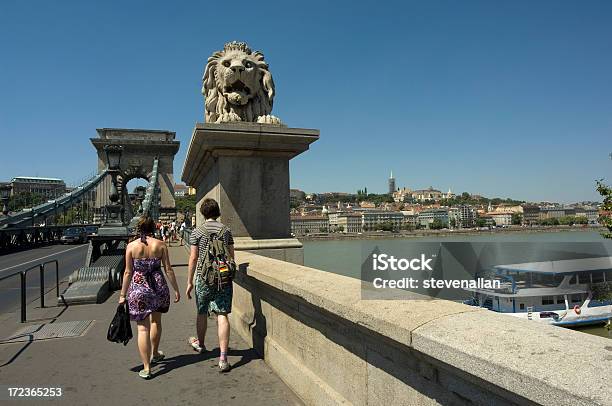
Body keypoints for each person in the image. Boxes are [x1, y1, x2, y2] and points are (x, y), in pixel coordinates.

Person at [119, 216, 181, 379]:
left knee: (142, 328)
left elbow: (127, 272)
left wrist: (122, 295)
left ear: (139, 228)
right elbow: (168, 269)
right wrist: (176, 289)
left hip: (138, 289)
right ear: (154, 227)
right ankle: (155, 353)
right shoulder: (160, 244)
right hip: (158, 287)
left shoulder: (131, 246)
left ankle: (147, 368)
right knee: (156, 322)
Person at [186, 198, 234, 372]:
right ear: (218, 212)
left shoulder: (197, 232)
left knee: (202, 311)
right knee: (222, 314)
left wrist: (189, 281)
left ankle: (202, 344)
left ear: (203, 213)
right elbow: (231, 256)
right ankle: (223, 358)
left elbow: (193, 258)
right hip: (223, 277)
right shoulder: (226, 230)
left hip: (203, 277)